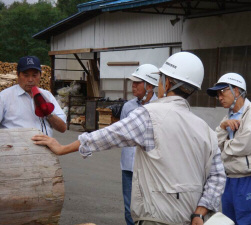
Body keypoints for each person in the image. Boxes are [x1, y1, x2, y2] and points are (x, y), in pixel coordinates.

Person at [32, 52, 226, 225]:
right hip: (193, 217)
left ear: (167, 83)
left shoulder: (149, 115)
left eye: (160, 79)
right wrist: (200, 212)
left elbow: (105, 137)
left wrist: (62, 148)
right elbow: (217, 176)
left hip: (158, 217)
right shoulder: (205, 129)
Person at [206, 73, 251, 225]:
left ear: (236, 91)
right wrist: (223, 128)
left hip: (248, 179)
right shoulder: (229, 116)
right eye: (217, 94)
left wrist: (224, 145)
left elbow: (242, 146)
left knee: (249, 221)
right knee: (229, 221)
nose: (219, 97)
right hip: (229, 179)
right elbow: (214, 143)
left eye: (222, 92)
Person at [120, 64, 160, 225]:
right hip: (129, 167)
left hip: (151, 167)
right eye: (133, 82)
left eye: (137, 82)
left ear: (149, 86)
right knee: (130, 208)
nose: (133, 85)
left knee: (152, 207)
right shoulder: (128, 107)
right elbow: (120, 135)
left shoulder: (160, 107)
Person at [0, 56, 67, 137]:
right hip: (15, 148)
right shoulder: (4, 97)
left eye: (34, 75)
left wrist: (48, 113)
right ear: (18, 74)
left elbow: (62, 128)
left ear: (40, 75)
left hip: (45, 147)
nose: (30, 80)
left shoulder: (47, 95)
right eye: (26, 75)